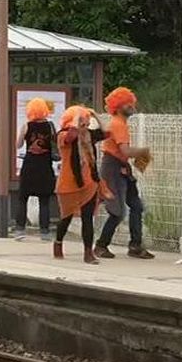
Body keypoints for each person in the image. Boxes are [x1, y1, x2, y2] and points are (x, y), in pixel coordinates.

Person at [94, 87, 155, 260]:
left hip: (119, 167)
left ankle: (135, 245)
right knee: (118, 211)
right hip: (114, 168)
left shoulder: (118, 123)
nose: (132, 106)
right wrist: (143, 151)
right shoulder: (118, 125)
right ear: (119, 106)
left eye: (131, 102)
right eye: (128, 103)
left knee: (136, 205)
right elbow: (126, 151)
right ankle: (101, 245)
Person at [54, 105, 111, 265]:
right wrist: (76, 119)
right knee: (66, 218)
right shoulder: (62, 135)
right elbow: (71, 137)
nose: (84, 127)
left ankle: (88, 253)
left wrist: (96, 116)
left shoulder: (88, 135)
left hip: (90, 182)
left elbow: (107, 132)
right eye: (83, 123)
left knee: (88, 218)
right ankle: (58, 243)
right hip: (69, 183)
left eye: (86, 123)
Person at [15, 98, 57, 241]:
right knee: (44, 200)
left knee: (23, 198)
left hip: (30, 166)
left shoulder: (27, 126)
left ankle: (20, 230)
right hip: (45, 166)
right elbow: (55, 144)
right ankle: (44, 232)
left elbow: (18, 144)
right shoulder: (50, 126)